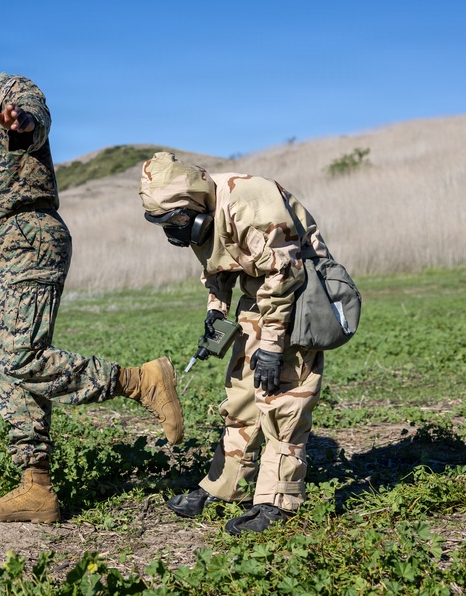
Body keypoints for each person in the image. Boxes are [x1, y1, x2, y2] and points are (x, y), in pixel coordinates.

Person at [0, 36, 184, 523]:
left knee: (21, 356)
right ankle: (36, 488)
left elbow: (33, 121)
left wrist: (20, 123)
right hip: (6, 240)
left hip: (31, 233)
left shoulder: (13, 91)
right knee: (9, 365)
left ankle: (142, 382)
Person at [138, 151, 330, 535]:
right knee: (242, 394)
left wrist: (273, 347)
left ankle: (278, 502)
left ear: (192, 203)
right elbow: (217, 270)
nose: (171, 230)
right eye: (161, 223)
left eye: (173, 220)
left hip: (298, 296)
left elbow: (284, 273)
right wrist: (215, 309)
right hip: (258, 297)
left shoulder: (249, 202)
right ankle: (226, 487)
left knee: (282, 398)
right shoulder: (197, 217)